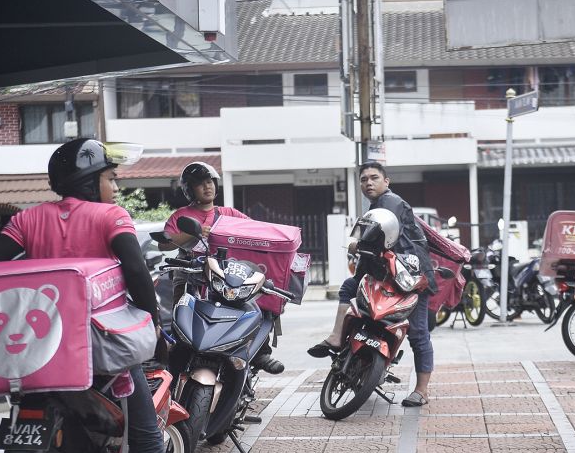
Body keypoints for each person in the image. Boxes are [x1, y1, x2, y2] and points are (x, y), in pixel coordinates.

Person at [0, 138, 208, 453]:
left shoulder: (28, 218)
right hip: (104, 355)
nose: (115, 185)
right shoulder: (110, 217)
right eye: (109, 177)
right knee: (149, 444)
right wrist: (152, 321)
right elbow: (137, 271)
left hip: (39, 355)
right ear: (89, 180)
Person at [308, 162, 436, 407]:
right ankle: (342, 341)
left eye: (374, 177)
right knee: (351, 289)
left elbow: (375, 238)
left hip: (411, 279)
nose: (368, 182)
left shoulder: (390, 203)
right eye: (363, 179)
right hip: (387, 275)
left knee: (418, 334)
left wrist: (358, 245)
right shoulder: (376, 206)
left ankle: (422, 390)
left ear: (386, 181)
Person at [162, 161, 282, 376]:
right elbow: (165, 243)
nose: (208, 187)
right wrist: (195, 233)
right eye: (201, 184)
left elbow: (255, 231)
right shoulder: (180, 216)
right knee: (181, 306)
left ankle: (259, 351)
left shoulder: (229, 213)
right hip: (191, 271)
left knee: (251, 305)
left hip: (224, 273)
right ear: (190, 189)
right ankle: (178, 351)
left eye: (210, 182)